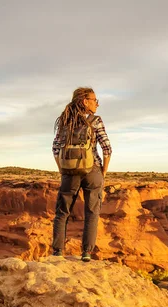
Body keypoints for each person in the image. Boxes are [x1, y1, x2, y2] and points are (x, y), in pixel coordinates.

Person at [51, 87, 112, 261]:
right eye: (95, 100)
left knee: (62, 212)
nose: (97, 104)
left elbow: (55, 148)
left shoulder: (65, 121)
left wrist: (63, 169)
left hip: (69, 172)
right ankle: (86, 253)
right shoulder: (95, 120)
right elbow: (107, 148)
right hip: (92, 169)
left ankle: (58, 252)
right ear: (85, 101)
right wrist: (103, 171)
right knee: (92, 212)